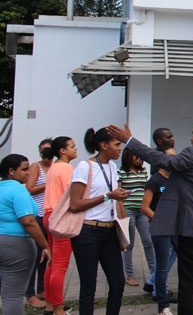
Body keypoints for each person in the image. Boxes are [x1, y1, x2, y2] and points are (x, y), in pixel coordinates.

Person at [107, 122, 193, 315]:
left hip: (192, 229)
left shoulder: (192, 154)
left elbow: (160, 159)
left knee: (189, 282)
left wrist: (129, 141)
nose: (190, 138)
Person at [68, 128, 131, 315]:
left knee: (118, 281)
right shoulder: (85, 167)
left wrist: (122, 232)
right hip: (87, 231)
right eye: (117, 144)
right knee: (89, 285)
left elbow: (115, 201)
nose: (120, 148)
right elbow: (75, 204)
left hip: (110, 231)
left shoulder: (113, 167)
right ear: (103, 145)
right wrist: (106, 196)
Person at [0, 154, 51, 315]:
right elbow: (28, 221)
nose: (28, 173)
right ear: (11, 171)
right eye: (24, 169)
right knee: (13, 296)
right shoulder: (17, 191)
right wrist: (45, 245)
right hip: (16, 247)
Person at [43, 136, 78, 315]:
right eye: (72, 146)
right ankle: (58, 310)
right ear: (62, 151)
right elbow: (72, 194)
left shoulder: (53, 167)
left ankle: (50, 305)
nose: (75, 149)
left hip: (48, 216)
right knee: (60, 265)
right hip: (60, 219)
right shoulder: (66, 168)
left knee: (52, 262)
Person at [140, 153, 174, 315]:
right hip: (160, 230)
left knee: (188, 265)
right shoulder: (154, 181)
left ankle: (190, 302)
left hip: (176, 229)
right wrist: (161, 220)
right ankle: (163, 306)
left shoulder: (175, 179)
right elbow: (145, 207)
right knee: (162, 267)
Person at [118, 149, 155, 289]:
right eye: (136, 156)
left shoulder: (143, 171)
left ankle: (154, 272)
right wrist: (122, 213)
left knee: (148, 241)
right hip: (128, 210)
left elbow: (146, 190)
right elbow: (119, 194)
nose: (140, 158)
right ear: (128, 156)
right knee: (129, 244)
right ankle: (129, 275)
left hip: (142, 211)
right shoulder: (121, 172)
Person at [25, 138, 52, 309]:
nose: (46, 154)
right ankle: (30, 293)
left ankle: (42, 289)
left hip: (51, 216)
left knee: (46, 255)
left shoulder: (57, 167)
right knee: (35, 256)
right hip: (38, 216)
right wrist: (48, 184)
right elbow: (29, 188)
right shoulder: (36, 167)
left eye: (48, 150)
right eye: (43, 151)